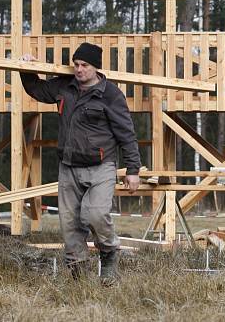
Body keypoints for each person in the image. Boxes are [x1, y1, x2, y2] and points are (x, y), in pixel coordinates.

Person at [19, 42, 141, 286]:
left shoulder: (111, 95)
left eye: (84, 65)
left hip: (101, 165)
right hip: (68, 166)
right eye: (76, 64)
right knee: (70, 222)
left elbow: (126, 133)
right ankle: (77, 273)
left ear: (96, 67)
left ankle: (108, 256)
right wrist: (26, 69)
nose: (79, 69)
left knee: (96, 214)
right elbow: (37, 90)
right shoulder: (65, 87)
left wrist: (133, 170)